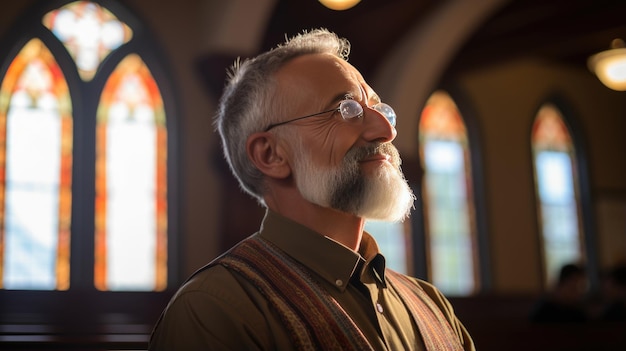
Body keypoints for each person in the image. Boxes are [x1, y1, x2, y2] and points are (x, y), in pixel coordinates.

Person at [149, 28, 475, 351]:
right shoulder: (214, 310)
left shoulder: (431, 304)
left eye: (381, 110)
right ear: (270, 154)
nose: (386, 130)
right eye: (348, 110)